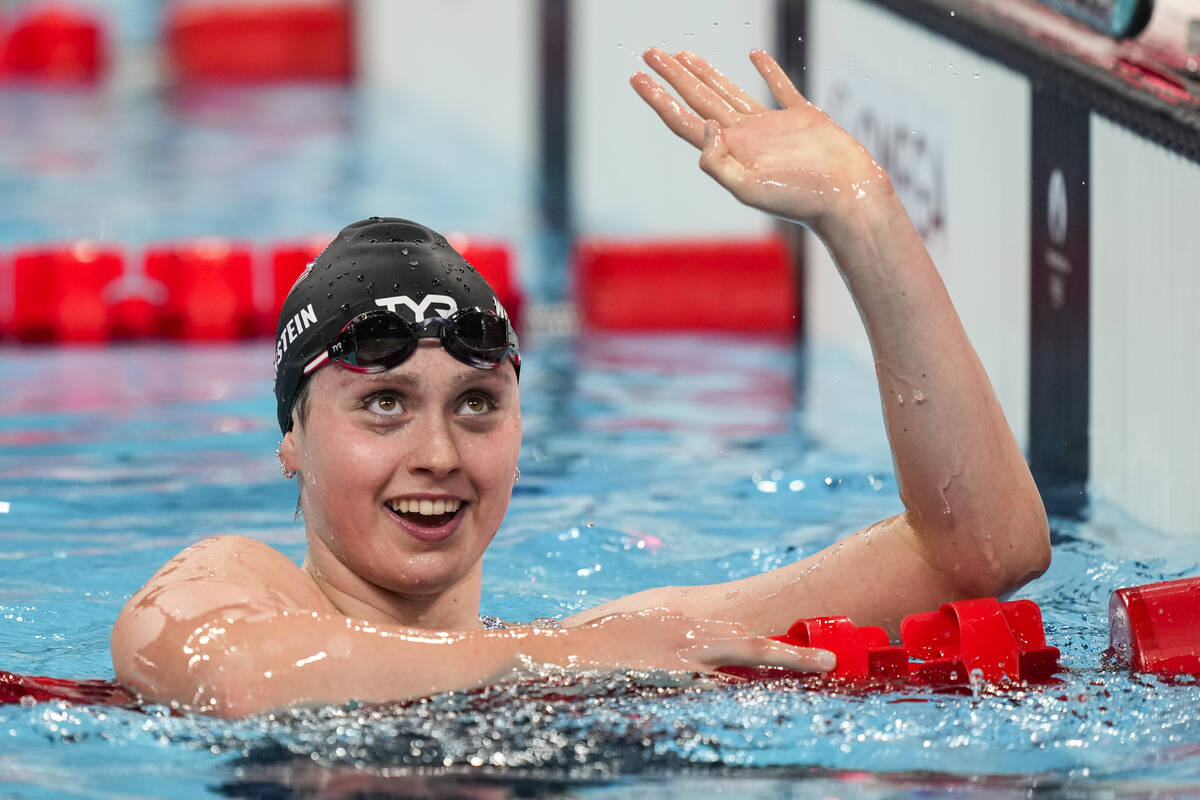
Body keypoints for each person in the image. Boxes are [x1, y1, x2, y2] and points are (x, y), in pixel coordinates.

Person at [111, 48, 1050, 717]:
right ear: (292, 438)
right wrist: (573, 658)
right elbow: (225, 671)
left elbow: (982, 554)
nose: (437, 456)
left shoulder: (628, 639)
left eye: (477, 403)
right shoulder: (246, 580)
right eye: (383, 404)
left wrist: (865, 218)